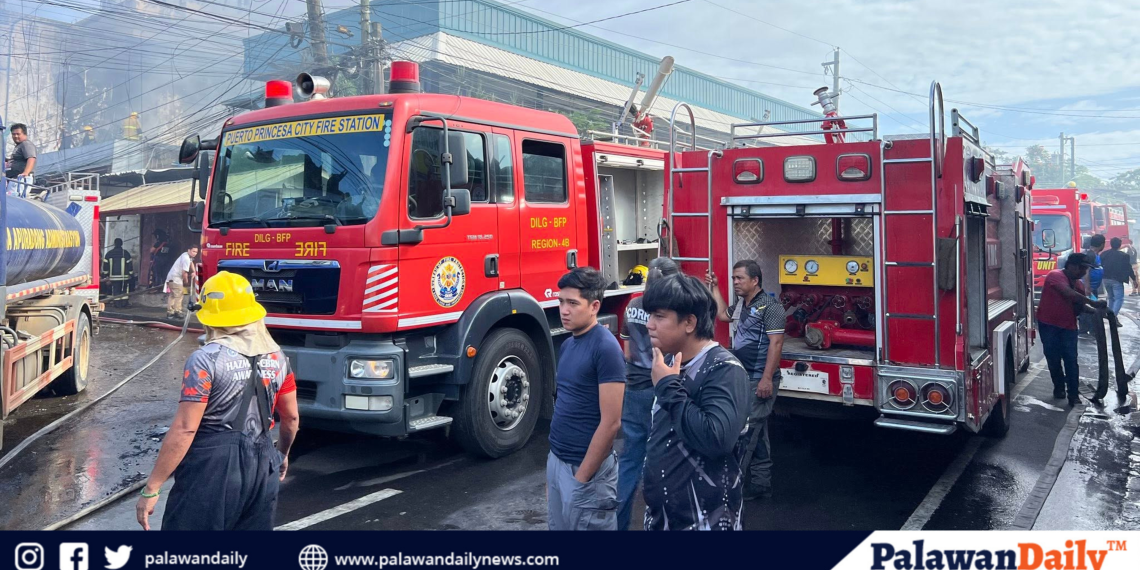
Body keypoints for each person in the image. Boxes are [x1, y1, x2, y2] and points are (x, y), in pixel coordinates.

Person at [136, 271, 299, 530]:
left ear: (210, 316)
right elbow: (290, 419)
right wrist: (282, 454)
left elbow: (186, 429)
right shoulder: (279, 358)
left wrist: (152, 488)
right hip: (263, 464)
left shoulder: (205, 359)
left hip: (212, 468)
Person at [642, 274, 749, 531]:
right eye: (649, 315)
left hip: (706, 523)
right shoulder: (671, 363)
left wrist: (668, 387)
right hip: (664, 520)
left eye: (659, 316)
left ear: (689, 322)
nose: (649, 324)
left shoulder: (724, 369)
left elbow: (717, 439)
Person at [547, 267, 626, 531]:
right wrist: (554, 471)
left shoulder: (606, 348)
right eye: (561, 302)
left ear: (594, 306)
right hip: (558, 463)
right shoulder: (568, 344)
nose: (564, 310)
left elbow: (611, 423)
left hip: (586, 472)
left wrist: (581, 479)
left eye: (572, 303)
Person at [707, 260, 785, 500]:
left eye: (739, 278)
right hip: (745, 377)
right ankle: (761, 485)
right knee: (757, 430)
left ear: (755, 280)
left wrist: (766, 379)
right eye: (733, 278)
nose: (735, 282)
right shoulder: (742, 304)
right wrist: (715, 287)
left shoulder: (771, 307)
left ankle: (732, 487)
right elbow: (722, 315)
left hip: (759, 378)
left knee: (747, 433)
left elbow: (776, 343)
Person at [616, 257, 680, 530]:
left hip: (634, 386)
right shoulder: (670, 311)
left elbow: (627, 350)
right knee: (667, 457)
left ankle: (618, 525)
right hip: (660, 387)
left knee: (630, 458)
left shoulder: (632, 305)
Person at [1037, 253, 1106, 406]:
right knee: (1053, 358)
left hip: (1068, 327)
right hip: (1049, 325)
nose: (1084, 272)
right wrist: (1093, 303)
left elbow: (1079, 306)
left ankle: (1073, 395)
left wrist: (1096, 312)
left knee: (1071, 360)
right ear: (1072, 266)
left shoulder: (1079, 285)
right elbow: (1068, 293)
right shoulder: (1055, 276)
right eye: (1082, 268)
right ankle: (1059, 387)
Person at [1100, 237, 1136, 315]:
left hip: (1105, 279)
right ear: (1120, 245)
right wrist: (1134, 279)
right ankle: (1113, 316)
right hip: (1117, 280)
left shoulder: (1104, 254)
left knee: (1110, 298)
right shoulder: (1124, 256)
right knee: (1119, 299)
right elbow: (1129, 268)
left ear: (1111, 244)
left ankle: (1110, 314)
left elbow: (1100, 266)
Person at [1079, 234, 1106, 335]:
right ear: (1102, 244)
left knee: (1091, 308)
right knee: (1089, 308)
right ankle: (1086, 329)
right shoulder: (1091, 255)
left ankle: (1089, 328)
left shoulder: (1094, 254)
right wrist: (1087, 287)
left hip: (1092, 288)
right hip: (1089, 288)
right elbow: (1086, 271)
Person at [165, 245, 198, 319]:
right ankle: (178, 311)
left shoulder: (185, 254)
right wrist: (186, 282)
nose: (195, 253)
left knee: (172, 295)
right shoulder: (186, 259)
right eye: (193, 251)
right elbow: (184, 273)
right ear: (189, 250)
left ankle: (170, 312)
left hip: (171, 277)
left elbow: (191, 263)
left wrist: (194, 271)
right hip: (176, 278)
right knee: (179, 295)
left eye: (196, 252)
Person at [101, 238, 135, 308]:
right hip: (124, 277)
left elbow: (105, 266)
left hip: (114, 277)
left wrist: (106, 274)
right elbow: (130, 265)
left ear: (114, 244)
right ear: (121, 244)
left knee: (116, 290)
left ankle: (117, 304)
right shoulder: (125, 253)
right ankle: (124, 304)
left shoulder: (109, 254)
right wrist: (131, 274)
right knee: (124, 290)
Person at [5, 123, 37, 194]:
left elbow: (31, 158)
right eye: (13, 134)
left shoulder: (26, 144)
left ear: (24, 134)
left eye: (18, 134)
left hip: (20, 179)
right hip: (14, 179)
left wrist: (25, 173)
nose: (15, 136)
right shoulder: (19, 146)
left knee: (12, 199)